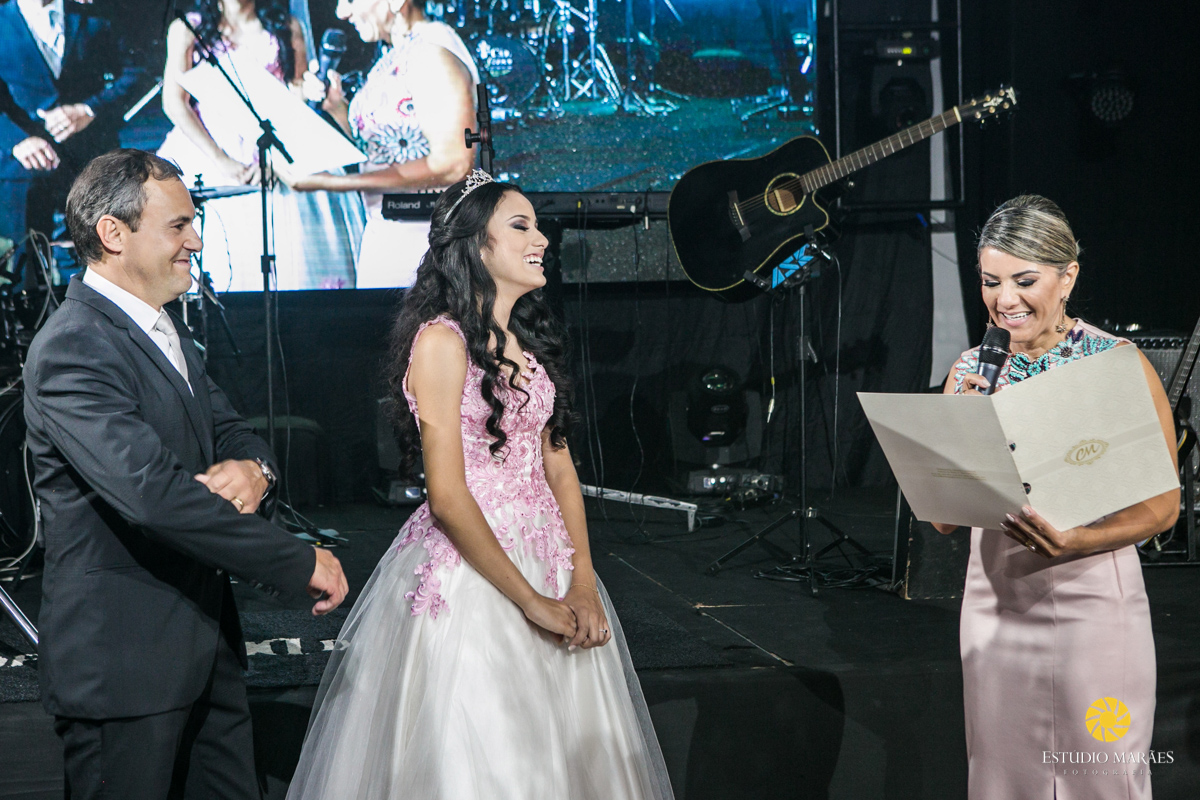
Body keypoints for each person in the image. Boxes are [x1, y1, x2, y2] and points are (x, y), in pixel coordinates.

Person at [285, 171, 674, 799]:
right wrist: (530, 601)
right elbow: (446, 497)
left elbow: (559, 466)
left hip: (550, 558)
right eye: (521, 226)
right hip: (475, 574)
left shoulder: (528, 344)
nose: (541, 239)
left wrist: (580, 579)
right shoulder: (442, 342)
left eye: (538, 226)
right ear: (476, 246)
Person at [23, 149, 349, 798]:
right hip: (125, 666)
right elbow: (153, 496)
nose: (195, 241)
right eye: (178, 226)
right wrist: (293, 560)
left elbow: (233, 431)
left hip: (204, 650)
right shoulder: (73, 344)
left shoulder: (162, 326)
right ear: (113, 234)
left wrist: (257, 471)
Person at [934, 195, 1179, 800]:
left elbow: (1163, 508)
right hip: (997, 605)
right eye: (990, 281)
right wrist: (961, 434)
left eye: (1024, 281)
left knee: (1102, 771)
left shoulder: (1115, 363)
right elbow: (942, 520)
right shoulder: (970, 370)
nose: (1004, 300)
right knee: (1004, 776)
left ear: (1067, 277)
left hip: (1094, 601)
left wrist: (1077, 541)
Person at [158, 0, 366, 290]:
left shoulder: (286, 26)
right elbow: (174, 102)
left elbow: (296, 95)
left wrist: (275, 157)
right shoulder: (187, 28)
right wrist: (222, 160)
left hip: (275, 146)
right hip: (211, 149)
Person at [284, 0, 477, 289]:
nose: (341, 12)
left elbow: (453, 163)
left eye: (350, 0)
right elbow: (385, 154)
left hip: (425, 242)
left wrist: (334, 183)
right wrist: (338, 109)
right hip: (389, 235)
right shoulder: (400, 52)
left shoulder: (432, 51)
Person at [0, 0, 142, 253]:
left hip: (91, 164)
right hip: (23, 171)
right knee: (27, 267)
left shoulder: (95, 14)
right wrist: (16, 140)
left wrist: (88, 109)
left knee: (101, 259)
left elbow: (136, 73)